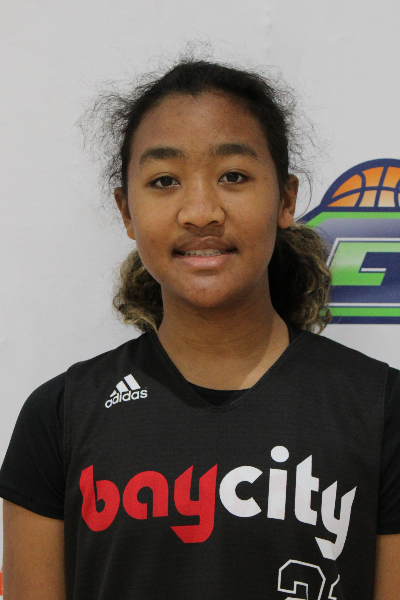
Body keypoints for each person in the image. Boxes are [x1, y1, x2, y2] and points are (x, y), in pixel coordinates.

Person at [1, 57, 399, 600]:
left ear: (285, 199)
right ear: (127, 211)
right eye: (164, 181)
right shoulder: (60, 417)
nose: (200, 211)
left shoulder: (383, 411)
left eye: (233, 176)